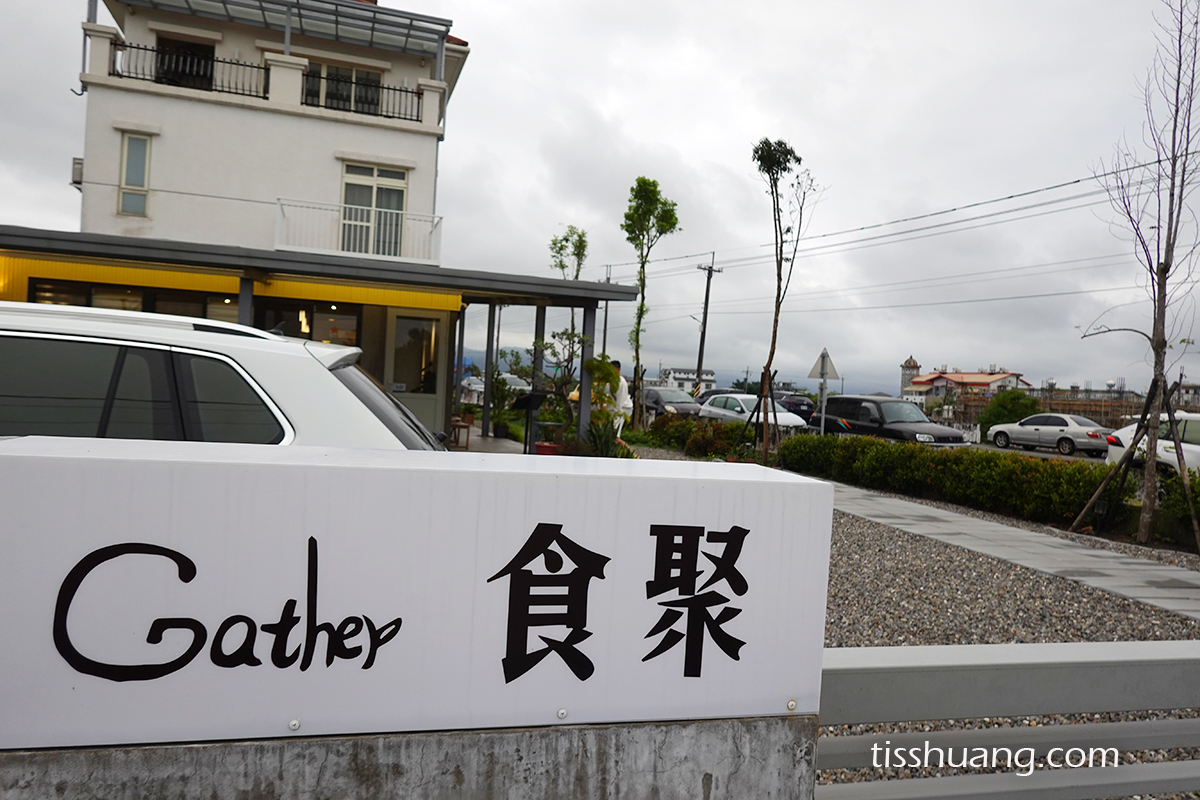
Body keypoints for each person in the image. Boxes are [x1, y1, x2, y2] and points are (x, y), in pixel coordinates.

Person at [612, 360, 632, 436]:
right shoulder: (613, 381)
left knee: (615, 436)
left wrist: (618, 415)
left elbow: (621, 401)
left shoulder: (621, 382)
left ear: (618, 369)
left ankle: (627, 448)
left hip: (620, 411)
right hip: (614, 411)